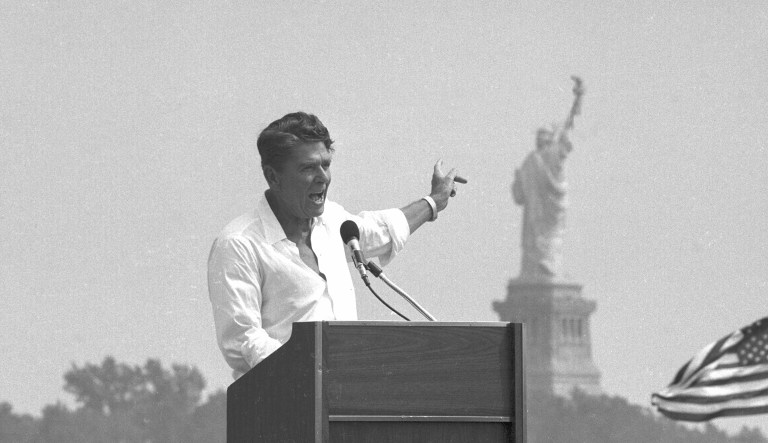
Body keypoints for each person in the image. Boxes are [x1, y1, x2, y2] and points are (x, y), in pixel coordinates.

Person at [207, 111, 461, 378]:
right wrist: (315, 372)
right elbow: (243, 341)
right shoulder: (239, 244)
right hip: (279, 403)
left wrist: (434, 201)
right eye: (308, 168)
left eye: (325, 165)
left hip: (345, 396)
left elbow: (382, 230)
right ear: (273, 176)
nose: (323, 178)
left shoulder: (334, 221)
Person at [511, 125, 572, 280]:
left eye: (543, 136)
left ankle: (549, 267)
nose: (539, 139)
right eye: (538, 135)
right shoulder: (531, 160)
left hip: (549, 211)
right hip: (534, 212)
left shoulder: (550, 155)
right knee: (534, 242)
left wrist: (565, 135)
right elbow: (519, 196)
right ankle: (536, 271)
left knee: (550, 240)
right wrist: (518, 180)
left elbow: (563, 152)